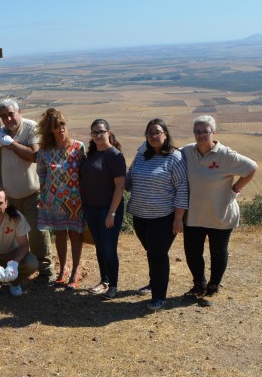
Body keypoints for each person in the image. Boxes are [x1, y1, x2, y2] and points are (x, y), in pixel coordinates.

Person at [181, 115, 258, 306]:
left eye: (205, 132)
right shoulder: (187, 151)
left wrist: (236, 188)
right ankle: (199, 284)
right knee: (192, 252)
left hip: (220, 213)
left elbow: (252, 167)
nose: (200, 135)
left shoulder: (226, 155)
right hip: (194, 214)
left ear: (213, 133)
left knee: (218, 251)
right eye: (197, 132)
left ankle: (213, 286)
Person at [0, 99, 54, 281]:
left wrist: (10, 143)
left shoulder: (31, 128)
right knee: (10, 234)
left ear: (19, 111)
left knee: (38, 232)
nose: (8, 119)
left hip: (32, 194)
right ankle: (10, 269)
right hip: (8, 198)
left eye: (11, 114)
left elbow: (35, 156)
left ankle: (46, 270)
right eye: (4, 116)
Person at [126, 118, 188, 311]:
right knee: (152, 252)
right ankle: (154, 284)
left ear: (165, 134)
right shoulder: (141, 155)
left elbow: (182, 187)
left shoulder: (174, 157)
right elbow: (129, 178)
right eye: (150, 132)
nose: (153, 136)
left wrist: (178, 218)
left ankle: (159, 296)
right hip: (140, 216)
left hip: (164, 218)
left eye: (157, 132)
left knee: (158, 254)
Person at [36, 108, 86, 289]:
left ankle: (75, 271)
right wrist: (46, 193)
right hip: (53, 200)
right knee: (59, 234)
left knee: (75, 234)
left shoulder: (79, 148)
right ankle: (63, 268)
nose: (61, 129)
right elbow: (41, 173)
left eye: (63, 124)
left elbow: (85, 173)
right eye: (57, 126)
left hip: (75, 199)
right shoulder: (44, 151)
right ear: (51, 130)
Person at [80, 119, 127, 300]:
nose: (98, 135)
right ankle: (104, 280)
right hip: (91, 209)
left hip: (109, 210)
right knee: (100, 247)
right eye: (94, 132)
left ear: (108, 132)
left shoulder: (115, 156)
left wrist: (112, 213)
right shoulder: (90, 155)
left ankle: (113, 285)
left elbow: (120, 187)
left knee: (109, 249)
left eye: (101, 131)